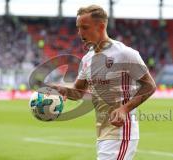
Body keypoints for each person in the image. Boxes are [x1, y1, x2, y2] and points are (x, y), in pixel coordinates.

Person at [49, 5, 156, 160]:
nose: (80, 33)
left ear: (101, 26)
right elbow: (78, 92)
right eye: (78, 28)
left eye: (84, 27)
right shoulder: (87, 59)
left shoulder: (125, 54)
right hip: (103, 133)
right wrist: (61, 89)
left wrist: (125, 109)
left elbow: (150, 85)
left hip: (121, 132)